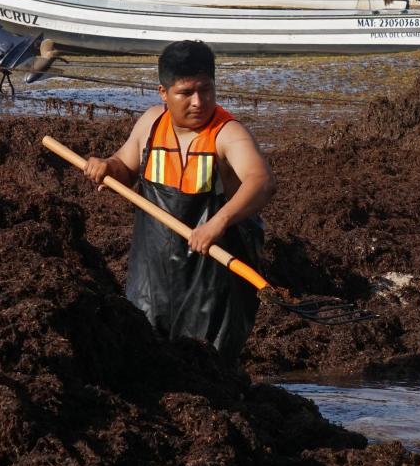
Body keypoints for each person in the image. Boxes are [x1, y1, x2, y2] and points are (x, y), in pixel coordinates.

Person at [82, 40, 276, 364]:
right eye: (186, 93)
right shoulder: (150, 124)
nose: (199, 102)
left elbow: (262, 181)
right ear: (163, 92)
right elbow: (124, 167)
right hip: (152, 276)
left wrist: (217, 223)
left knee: (208, 369)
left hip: (211, 281)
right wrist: (105, 166)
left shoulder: (228, 134)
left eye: (206, 90)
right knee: (147, 362)